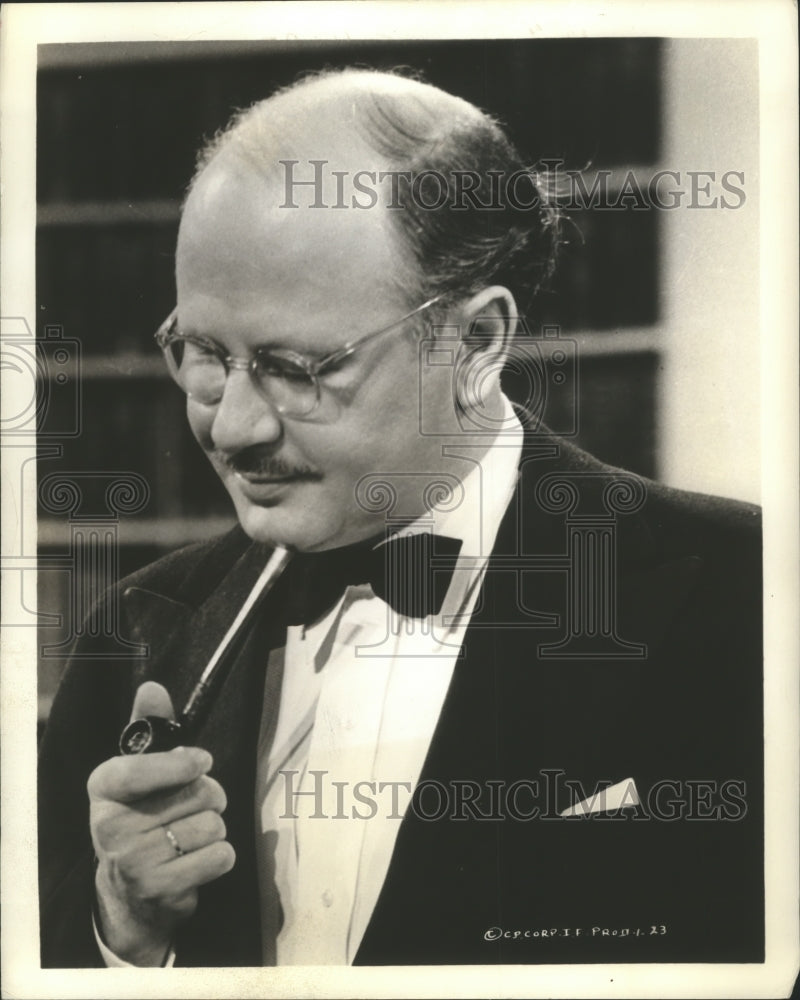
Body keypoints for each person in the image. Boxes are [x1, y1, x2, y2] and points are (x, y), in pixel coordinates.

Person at [38, 68, 763, 968]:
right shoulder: (134, 635)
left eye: (297, 366)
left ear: (478, 341)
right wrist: (126, 932)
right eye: (201, 353)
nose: (231, 427)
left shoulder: (750, 597)